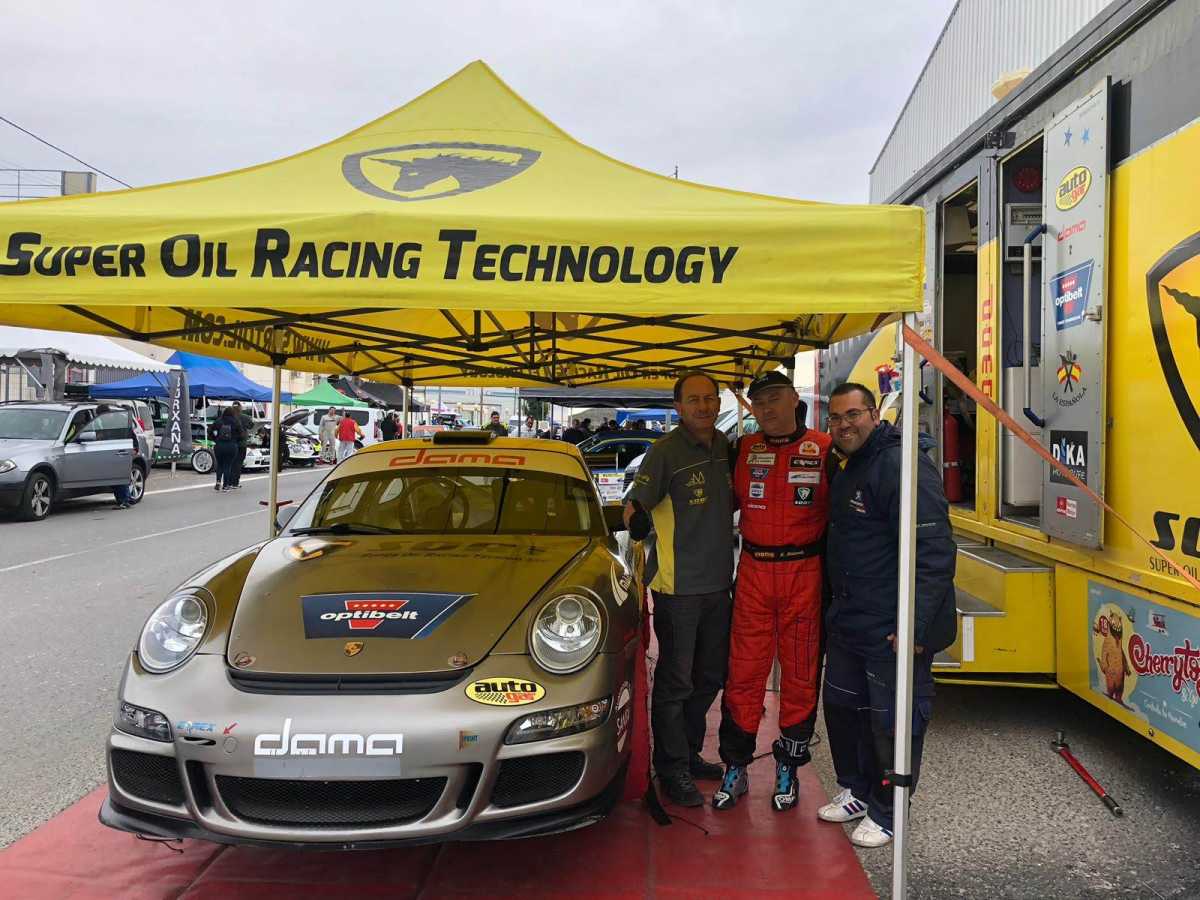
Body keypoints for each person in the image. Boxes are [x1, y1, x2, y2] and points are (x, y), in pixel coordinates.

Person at [817, 382, 956, 848]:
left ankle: (889, 810)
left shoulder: (901, 464)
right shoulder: (849, 464)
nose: (844, 425)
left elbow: (934, 551)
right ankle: (858, 792)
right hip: (851, 619)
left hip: (891, 625)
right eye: (836, 418)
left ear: (875, 415)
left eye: (853, 414)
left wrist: (913, 623)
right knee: (844, 709)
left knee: (892, 722)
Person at [713, 371, 834, 812]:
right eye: (759, 401)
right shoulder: (743, 449)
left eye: (774, 399)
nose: (766, 408)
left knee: (800, 675)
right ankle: (735, 765)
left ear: (793, 399)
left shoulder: (825, 448)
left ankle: (789, 766)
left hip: (805, 572)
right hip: (754, 571)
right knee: (743, 673)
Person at [624, 371, 734, 808]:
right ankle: (671, 769)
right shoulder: (664, 452)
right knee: (677, 682)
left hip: (719, 585)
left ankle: (688, 753)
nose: (703, 406)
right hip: (678, 588)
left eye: (710, 398)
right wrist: (636, 521)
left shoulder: (725, 446)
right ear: (678, 407)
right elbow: (634, 505)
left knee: (709, 677)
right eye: (694, 400)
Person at [208, 407, 243, 492]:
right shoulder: (236, 421)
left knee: (220, 464)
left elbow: (210, 430)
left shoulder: (218, 421)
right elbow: (241, 435)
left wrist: (215, 439)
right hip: (231, 446)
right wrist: (236, 440)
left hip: (219, 445)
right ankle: (225, 486)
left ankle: (218, 481)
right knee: (228, 465)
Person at [228, 402, 254, 489]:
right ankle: (235, 483)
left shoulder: (228, 417)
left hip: (230, 444)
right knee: (238, 464)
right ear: (240, 408)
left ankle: (228, 482)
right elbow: (251, 426)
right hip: (241, 444)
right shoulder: (245, 417)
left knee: (230, 463)